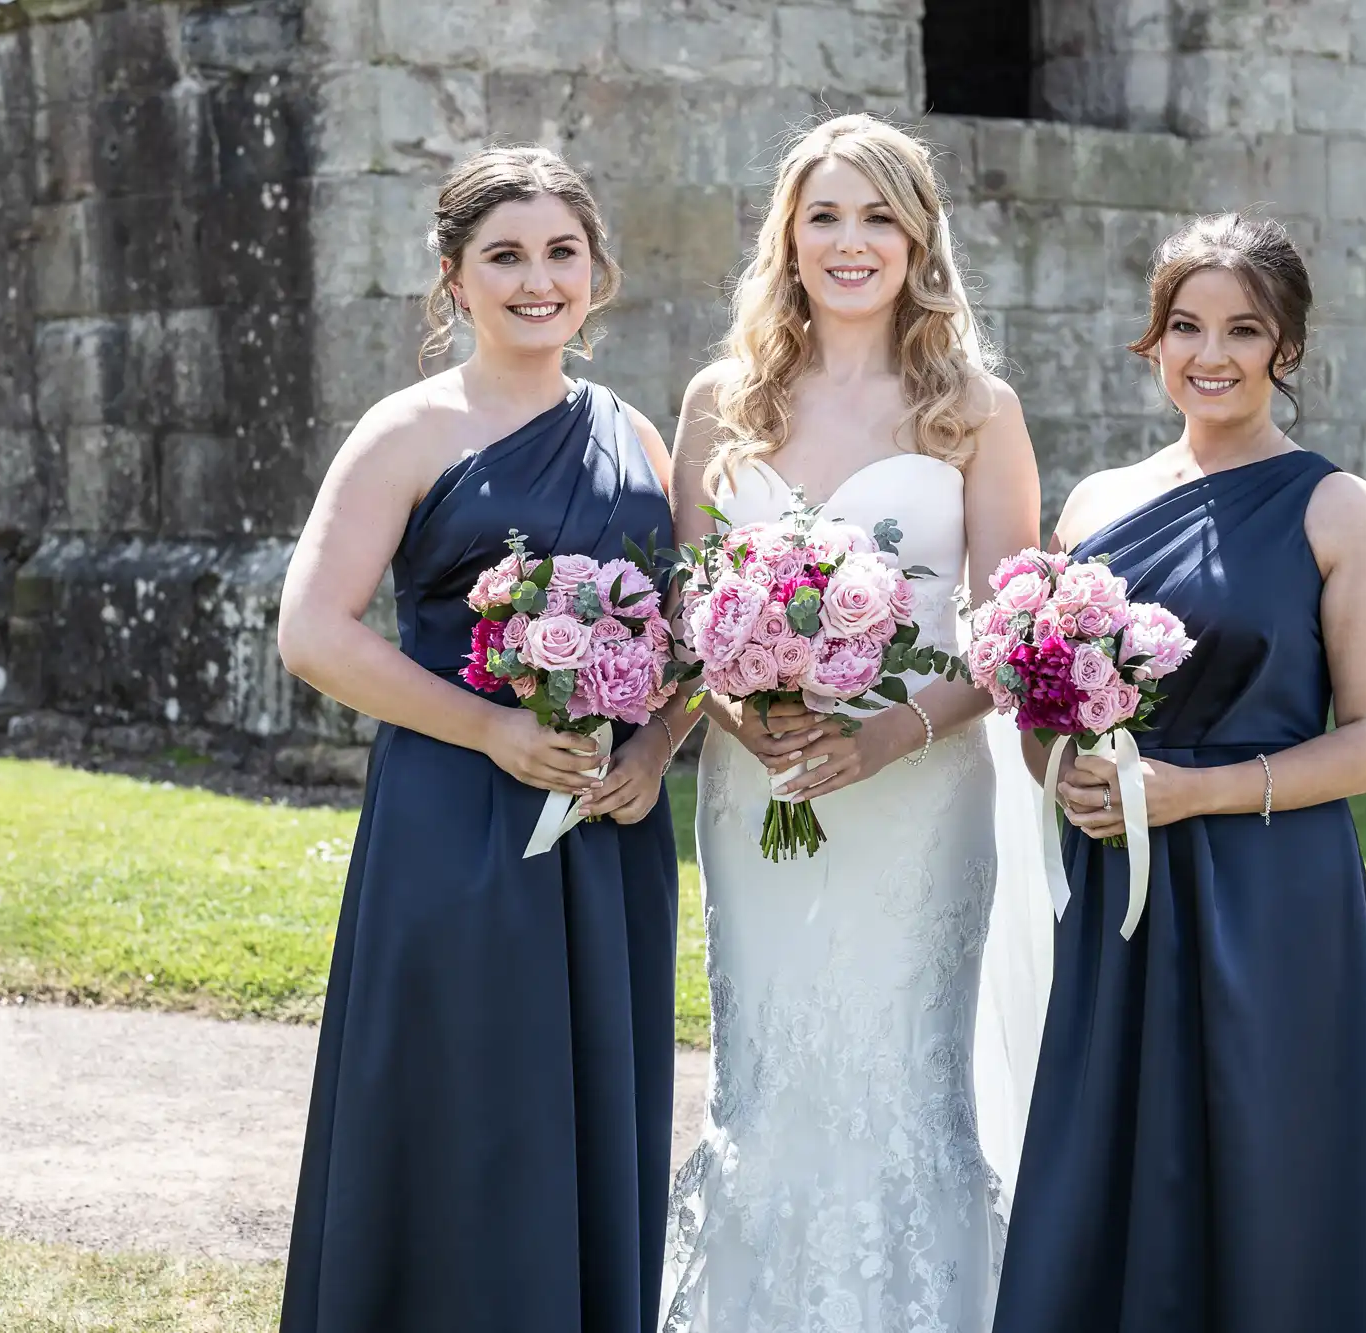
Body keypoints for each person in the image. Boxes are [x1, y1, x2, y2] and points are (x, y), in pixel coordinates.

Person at [273, 145, 689, 1333]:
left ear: (596, 270)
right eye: (504, 255)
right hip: (456, 820)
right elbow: (312, 631)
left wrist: (654, 752)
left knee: (588, 1111)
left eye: (561, 252)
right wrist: (492, 728)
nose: (536, 279)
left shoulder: (635, 435)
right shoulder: (409, 428)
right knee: (462, 1108)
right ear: (453, 278)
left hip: (606, 838)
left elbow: (685, 637)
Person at [991, 213, 1366, 1333]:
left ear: (1284, 346)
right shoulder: (1093, 505)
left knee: (1270, 1170)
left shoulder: (1338, 510)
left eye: (1243, 328)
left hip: (1271, 895)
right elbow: (1044, 704)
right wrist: (1064, 772)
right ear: (1152, 339)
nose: (1211, 353)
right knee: (1114, 1159)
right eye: (1185, 326)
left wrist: (1196, 792)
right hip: (1120, 897)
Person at [661, 114, 1043, 1333]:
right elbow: (685, 611)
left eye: (879, 214)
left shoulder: (975, 408)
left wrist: (888, 736)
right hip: (754, 787)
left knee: (900, 1078)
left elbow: (1008, 634)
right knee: (766, 1078)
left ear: (919, 236)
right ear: (787, 237)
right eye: (823, 214)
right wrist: (745, 703)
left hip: (920, 796)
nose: (850, 240)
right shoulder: (723, 402)